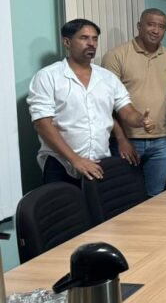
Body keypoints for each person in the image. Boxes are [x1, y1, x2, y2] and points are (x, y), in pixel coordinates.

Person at [27, 19, 154, 185]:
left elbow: (127, 112)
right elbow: (43, 124)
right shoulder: (48, 76)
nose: (91, 43)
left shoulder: (108, 78)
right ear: (67, 42)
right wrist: (75, 159)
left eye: (95, 39)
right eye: (84, 38)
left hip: (99, 162)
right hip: (60, 164)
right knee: (64, 203)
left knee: (101, 203)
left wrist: (141, 120)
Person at [102, 8, 166, 195]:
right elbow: (106, 105)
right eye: (151, 24)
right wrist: (121, 139)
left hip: (161, 140)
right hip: (127, 140)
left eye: (161, 27)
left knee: (156, 196)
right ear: (139, 26)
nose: (156, 30)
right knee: (126, 197)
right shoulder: (116, 56)